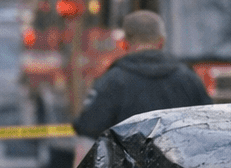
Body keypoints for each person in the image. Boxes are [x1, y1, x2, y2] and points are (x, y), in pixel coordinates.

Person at [72, 9, 212, 138]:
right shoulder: (188, 79)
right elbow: (208, 124)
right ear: (162, 42)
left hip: (128, 164)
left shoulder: (112, 80)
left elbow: (88, 126)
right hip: (176, 163)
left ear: (124, 44)